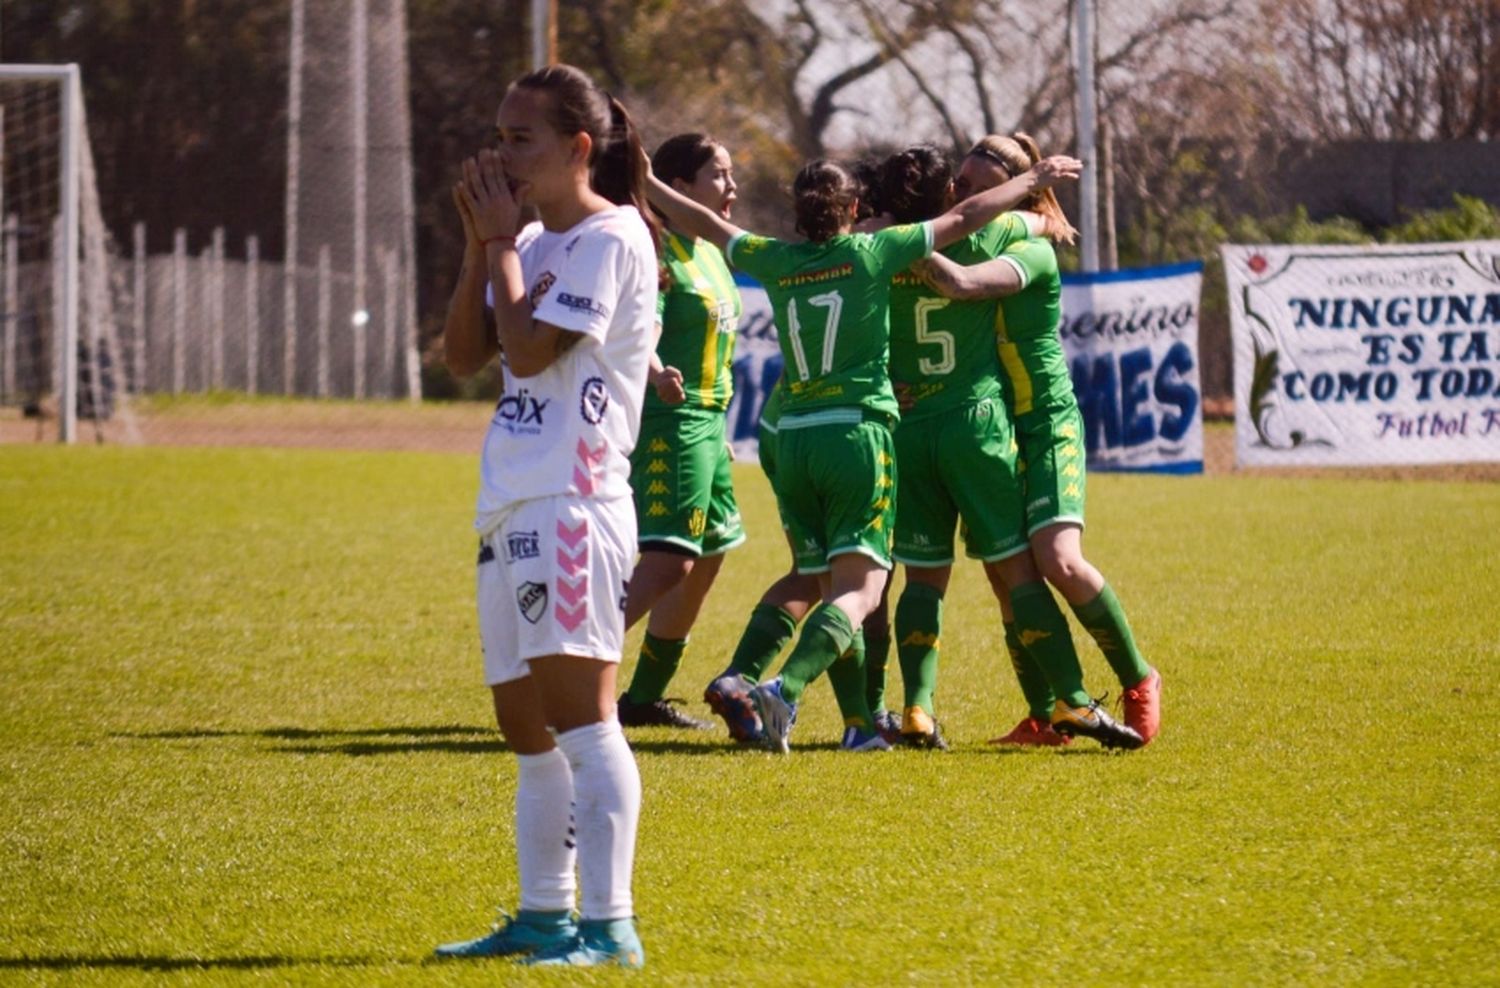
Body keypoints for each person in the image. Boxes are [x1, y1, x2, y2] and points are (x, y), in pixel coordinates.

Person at [648, 149, 1082, 753]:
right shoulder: (873, 252)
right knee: (864, 588)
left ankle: (858, 726)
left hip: (789, 433)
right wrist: (1035, 185)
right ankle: (784, 692)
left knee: (821, 576)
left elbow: (710, 226)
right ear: (855, 208)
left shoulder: (774, 258)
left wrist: (645, 182)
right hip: (854, 433)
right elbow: (965, 219)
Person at [433, 64, 657, 969]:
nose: (501, 153)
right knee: (525, 725)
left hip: (574, 502)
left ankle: (611, 930)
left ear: (578, 148)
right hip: (513, 498)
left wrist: (500, 247)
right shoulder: (523, 237)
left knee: (584, 717)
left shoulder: (611, 238)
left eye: (520, 138)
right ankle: (543, 915)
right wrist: (477, 246)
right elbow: (461, 358)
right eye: (498, 134)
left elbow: (525, 357)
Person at [881, 143, 1141, 751]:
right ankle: (1064, 705)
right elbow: (976, 256)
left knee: (963, 572)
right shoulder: (977, 235)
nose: (966, 194)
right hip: (975, 424)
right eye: (961, 182)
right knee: (1013, 572)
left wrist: (890, 238)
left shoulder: (903, 245)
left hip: (1007, 419)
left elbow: (981, 264)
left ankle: (918, 710)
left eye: (979, 184)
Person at [615, 134, 745, 730]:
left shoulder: (713, 250)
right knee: (669, 561)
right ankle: (560, 669)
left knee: (711, 553)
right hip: (671, 421)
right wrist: (655, 373)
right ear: (678, 185)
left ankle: (643, 699)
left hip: (711, 425)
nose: (732, 187)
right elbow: (641, 328)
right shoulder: (657, 248)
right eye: (718, 174)